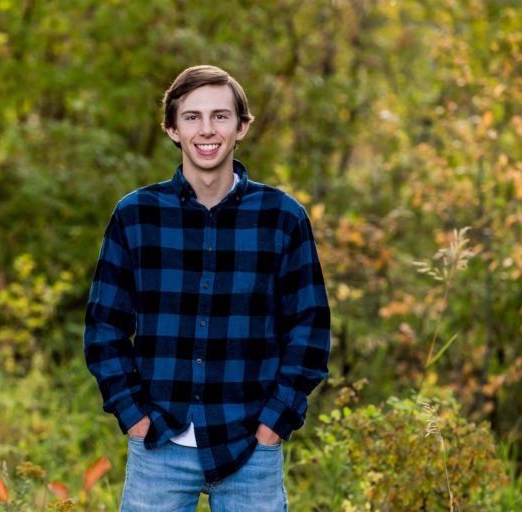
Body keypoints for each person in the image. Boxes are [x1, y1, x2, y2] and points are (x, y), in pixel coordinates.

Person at [84, 64, 330, 511]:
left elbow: (309, 331)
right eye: (192, 117)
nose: (206, 129)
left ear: (242, 127)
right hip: (158, 446)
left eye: (220, 116)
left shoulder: (283, 218)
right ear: (172, 129)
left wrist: (273, 424)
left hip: (251, 447)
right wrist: (135, 418)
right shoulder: (136, 215)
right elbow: (104, 329)